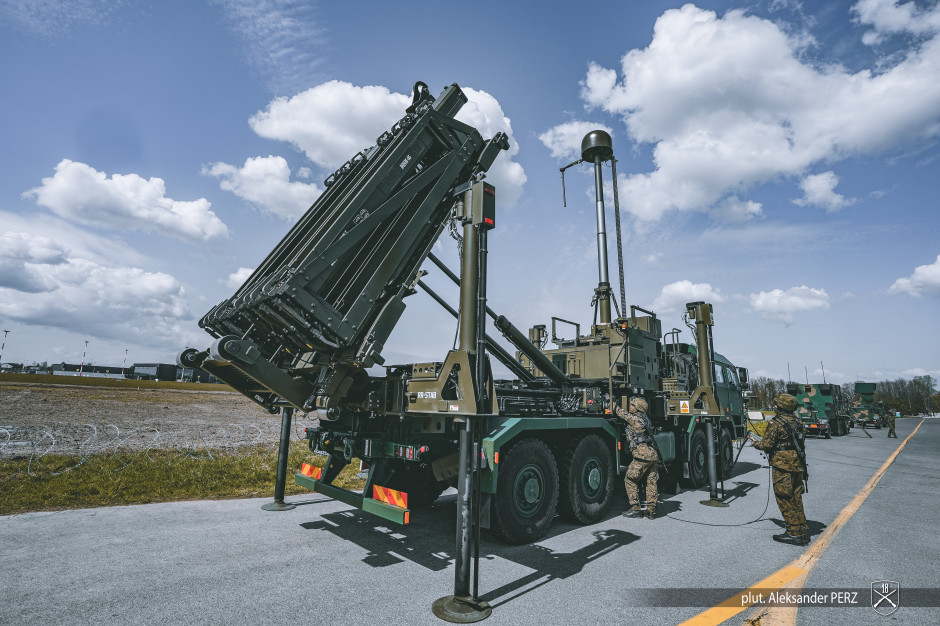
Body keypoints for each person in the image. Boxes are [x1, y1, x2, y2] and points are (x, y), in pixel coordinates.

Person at [752, 393, 809, 546]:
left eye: (777, 404)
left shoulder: (775, 423)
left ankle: (793, 533)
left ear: (781, 407)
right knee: (796, 497)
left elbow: (766, 445)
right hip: (798, 465)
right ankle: (802, 529)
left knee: (785, 498)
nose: (775, 406)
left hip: (782, 467)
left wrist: (755, 443)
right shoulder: (798, 423)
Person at [611, 396, 659, 519]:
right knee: (651, 481)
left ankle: (635, 508)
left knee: (629, 479)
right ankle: (651, 510)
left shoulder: (635, 419)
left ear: (639, 409)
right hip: (652, 455)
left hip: (642, 455)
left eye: (633, 405)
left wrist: (611, 403)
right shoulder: (646, 419)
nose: (630, 407)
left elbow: (621, 413)